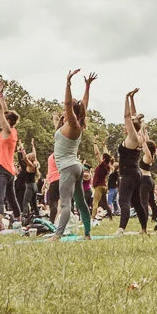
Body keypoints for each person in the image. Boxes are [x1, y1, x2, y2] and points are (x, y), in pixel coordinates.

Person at [52, 70, 95, 240]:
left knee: (65, 204)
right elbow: (82, 104)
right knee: (81, 203)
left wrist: (68, 83)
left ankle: (57, 235)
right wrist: (87, 86)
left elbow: (68, 103)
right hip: (76, 167)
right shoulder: (78, 123)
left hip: (68, 168)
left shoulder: (73, 124)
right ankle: (87, 234)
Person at [118, 90, 156, 233]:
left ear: (131, 128)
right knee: (137, 203)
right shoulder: (139, 136)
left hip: (128, 173)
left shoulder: (133, 137)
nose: (124, 126)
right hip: (135, 172)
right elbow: (134, 118)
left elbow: (128, 116)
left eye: (126, 125)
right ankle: (144, 229)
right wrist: (133, 99)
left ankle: (121, 228)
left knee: (123, 201)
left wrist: (126, 97)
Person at [0, 81, 22, 224]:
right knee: (11, 198)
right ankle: (19, 221)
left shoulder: (8, 131)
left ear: (8, 120)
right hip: (9, 170)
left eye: (5, 117)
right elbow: (3, 110)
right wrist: (1, 94)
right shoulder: (12, 131)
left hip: (2, 169)